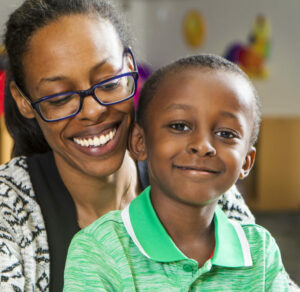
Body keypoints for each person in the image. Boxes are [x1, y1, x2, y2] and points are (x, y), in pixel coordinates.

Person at [0, 0, 261, 291]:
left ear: (129, 66)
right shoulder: (9, 211)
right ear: (24, 101)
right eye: (60, 97)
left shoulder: (197, 176)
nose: (93, 110)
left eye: (109, 82)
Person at [64, 54, 293, 291]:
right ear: (140, 142)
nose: (203, 145)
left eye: (226, 134)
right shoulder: (99, 249)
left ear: (246, 162)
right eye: (179, 126)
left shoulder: (259, 249)